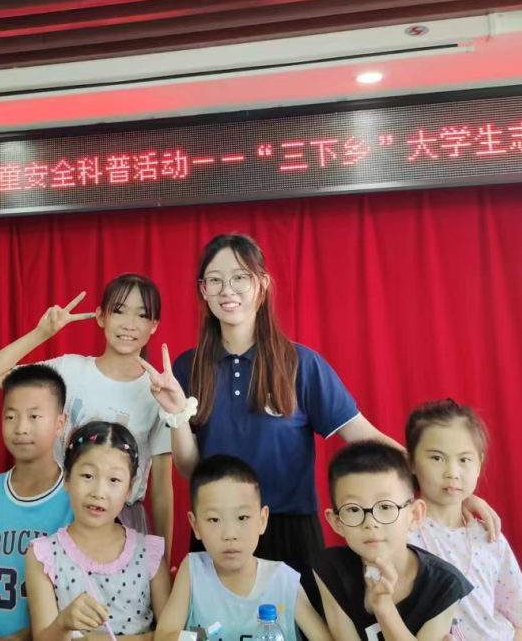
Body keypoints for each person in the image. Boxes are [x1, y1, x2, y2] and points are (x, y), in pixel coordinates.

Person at [143, 233, 498, 611]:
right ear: (203, 290)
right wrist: (176, 414)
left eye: (240, 277)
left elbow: (363, 436)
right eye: (214, 280)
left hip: (291, 529)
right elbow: (191, 469)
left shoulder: (301, 364)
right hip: (219, 529)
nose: (227, 290)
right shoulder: (187, 368)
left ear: (262, 285)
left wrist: (445, 487)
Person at [0, 274, 174, 564]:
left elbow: (162, 490)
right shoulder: (69, 371)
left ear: (154, 325)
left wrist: (163, 559)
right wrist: (42, 333)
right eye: (119, 311)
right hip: (59, 513)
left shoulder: (159, 391)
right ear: (101, 316)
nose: (129, 324)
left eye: (142, 315)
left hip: (124, 523)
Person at [155, 454, 333, 641]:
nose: (230, 534)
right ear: (196, 525)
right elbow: (165, 635)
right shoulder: (193, 570)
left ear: (262, 520)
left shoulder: (283, 581)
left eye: (242, 518)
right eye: (214, 519)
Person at [25, 421, 171, 641]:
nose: (99, 492)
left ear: (129, 488)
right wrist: (63, 623)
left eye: (114, 480)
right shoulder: (43, 555)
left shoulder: (149, 553)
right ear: (67, 479)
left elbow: (171, 635)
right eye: (87, 476)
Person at [406, 401, 522, 641]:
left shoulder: (491, 537)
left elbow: (521, 619)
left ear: (479, 463)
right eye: (437, 458)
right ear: (412, 462)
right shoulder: (400, 534)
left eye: (464, 460)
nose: (452, 473)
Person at [315, 441, 472, 641]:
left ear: (414, 515)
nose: (370, 523)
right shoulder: (330, 569)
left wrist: (383, 607)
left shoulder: (444, 584)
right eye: (353, 509)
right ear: (337, 523)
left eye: (385, 507)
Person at [0, 364, 74, 641]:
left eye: (34, 416)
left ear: (60, 423)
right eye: (10, 417)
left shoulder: (76, 496)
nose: (21, 428)